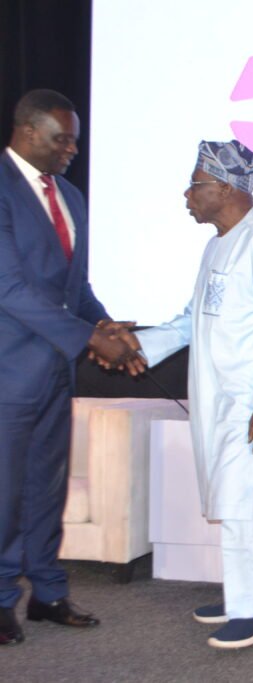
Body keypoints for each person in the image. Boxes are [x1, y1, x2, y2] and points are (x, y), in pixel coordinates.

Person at [120, 140, 253, 650]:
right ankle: (247, 592)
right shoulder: (221, 243)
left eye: (195, 184)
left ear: (224, 188)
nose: (187, 194)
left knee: (242, 501)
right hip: (219, 399)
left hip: (247, 402)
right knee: (234, 498)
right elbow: (188, 323)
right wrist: (137, 348)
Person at [0, 89, 137, 646]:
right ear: (28, 132)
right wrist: (91, 341)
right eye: (63, 138)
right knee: (5, 492)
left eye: (75, 138)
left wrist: (110, 332)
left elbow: (74, 288)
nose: (72, 148)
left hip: (55, 372)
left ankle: (49, 593)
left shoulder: (71, 197)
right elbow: (10, 288)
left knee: (45, 490)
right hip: (9, 374)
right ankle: (3, 596)